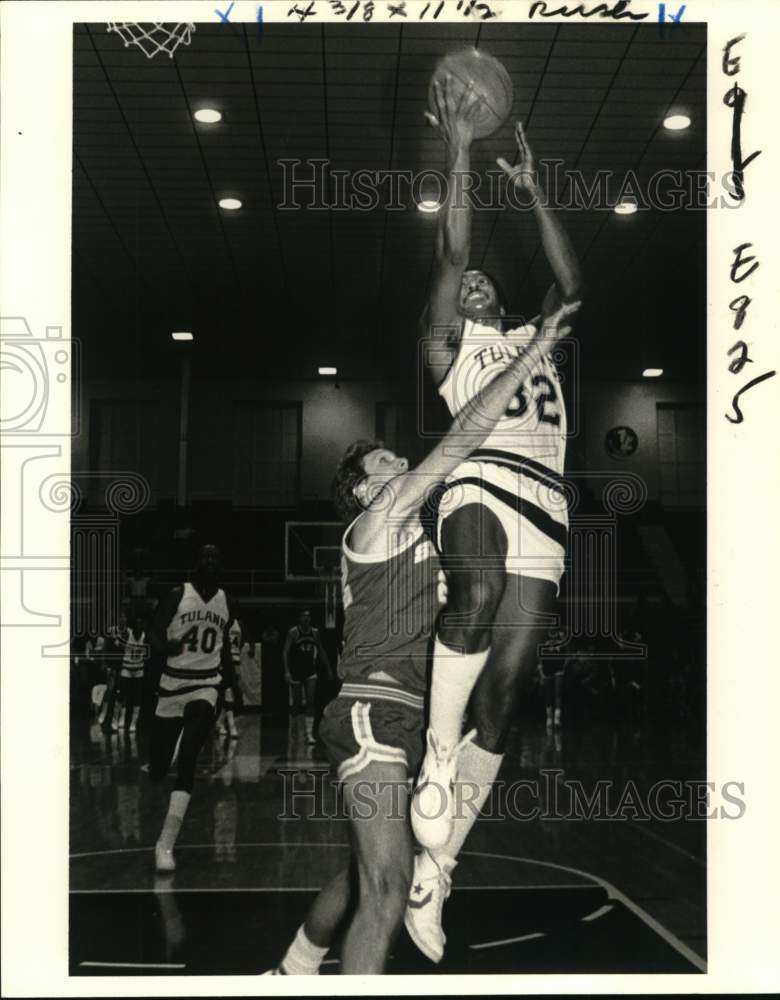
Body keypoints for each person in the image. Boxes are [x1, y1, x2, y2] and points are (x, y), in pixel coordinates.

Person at [267, 263, 578, 974]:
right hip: (376, 709)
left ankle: (292, 967)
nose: (403, 459)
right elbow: (466, 436)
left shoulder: (428, 530)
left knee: (361, 869)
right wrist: (532, 352)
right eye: (388, 458)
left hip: (405, 714)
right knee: (383, 887)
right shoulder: (383, 515)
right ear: (368, 485)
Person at [406, 77, 583, 962]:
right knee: (470, 585)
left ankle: (439, 869)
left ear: (499, 299)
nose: (470, 281)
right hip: (475, 479)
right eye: (463, 283)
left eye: (480, 281)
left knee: (508, 702)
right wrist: (464, 152)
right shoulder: (454, 350)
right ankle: (437, 755)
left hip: (545, 508)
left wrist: (535, 188)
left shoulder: (535, 336)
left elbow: (571, 280)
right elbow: (449, 246)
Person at [147, 543, 233, 872]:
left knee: (188, 760)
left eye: (215, 556)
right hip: (171, 685)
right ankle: (165, 750)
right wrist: (163, 645)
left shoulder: (227, 601)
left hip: (205, 685)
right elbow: (153, 632)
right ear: (195, 563)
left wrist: (228, 687)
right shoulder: (176, 595)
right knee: (157, 770)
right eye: (204, 555)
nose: (210, 560)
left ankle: (164, 846)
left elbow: (224, 650)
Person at [283, 610, 331, 744]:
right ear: (299, 618)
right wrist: (286, 671)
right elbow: (285, 652)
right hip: (296, 671)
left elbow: (321, 650)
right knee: (297, 704)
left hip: (310, 671)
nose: (306, 618)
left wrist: (328, 668)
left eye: (308, 616)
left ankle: (309, 733)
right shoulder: (293, 632)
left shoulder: (315, 632)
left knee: (311, 702)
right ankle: (294, 730)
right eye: (303, 615)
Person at [115, 617, 148, 733]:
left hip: (139, 668)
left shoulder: (145, 636)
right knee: (123, 694)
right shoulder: (126, 634)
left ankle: (134, 722)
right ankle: (120, 719)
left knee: (138, 696)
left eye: (141, 624)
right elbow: (118, 648)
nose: (139, 626)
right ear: (133, 627)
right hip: (126, 667)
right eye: (137, 624)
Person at [216, 615, 243, 738]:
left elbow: (241, 642)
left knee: (230, 693)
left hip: (235, 659)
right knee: (226, 692)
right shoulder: (220, 621)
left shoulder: (238, 623)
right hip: (223, 660)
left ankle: (220, 722)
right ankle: (231, 726)